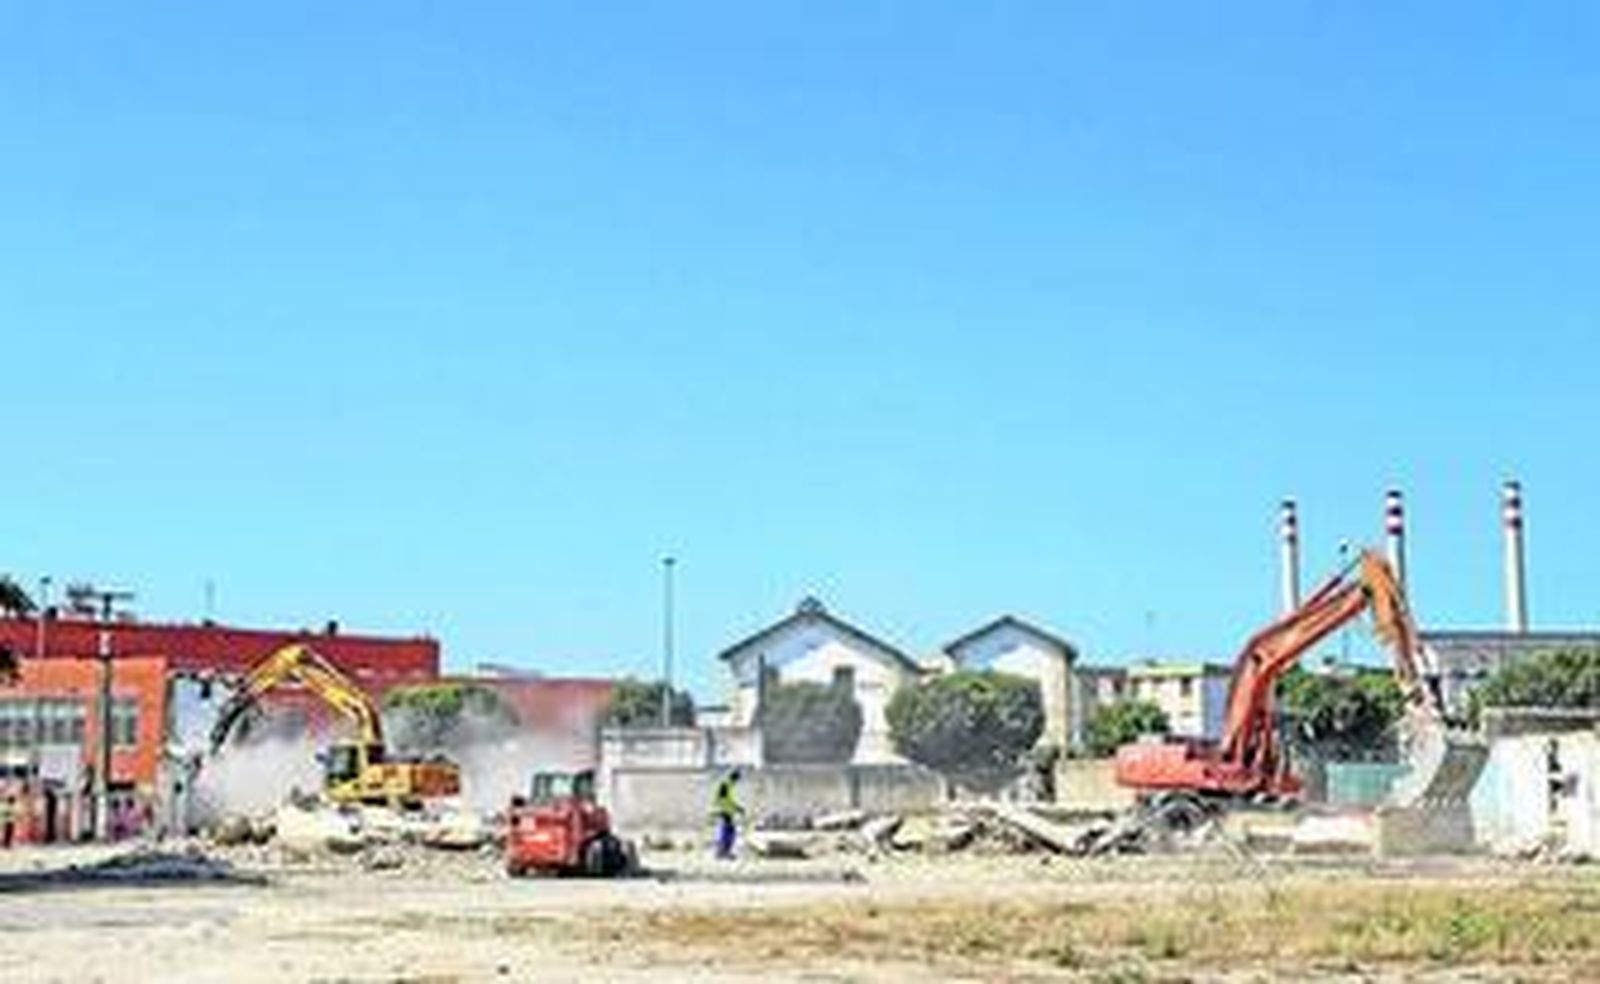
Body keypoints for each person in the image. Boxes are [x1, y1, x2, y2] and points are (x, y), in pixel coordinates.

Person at [711, 769, 744, 860]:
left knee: (729, 831)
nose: (737, 782)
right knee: (728, 832)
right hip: (725, 811)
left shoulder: (730, 785)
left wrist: (737, 807)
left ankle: (724, 851)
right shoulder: (725, 785)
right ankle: (723, 852)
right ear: (734, 778)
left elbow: (729, 799)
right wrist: (734, 807)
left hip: (728, 811)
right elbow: (722, 799)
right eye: (737, 779)